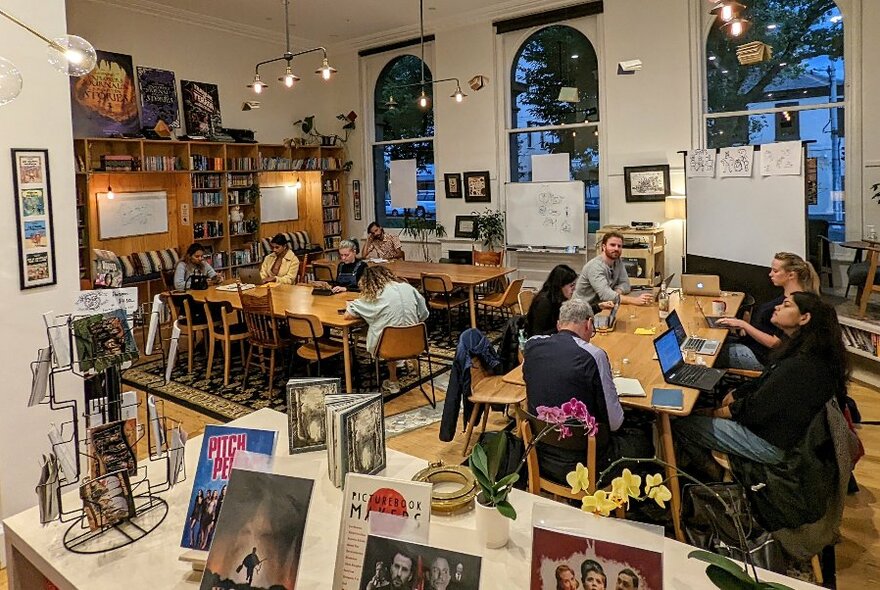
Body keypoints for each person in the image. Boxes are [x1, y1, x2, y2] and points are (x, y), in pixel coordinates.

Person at [674, 292, 848, 478]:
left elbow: (755, 410)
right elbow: (765, 383)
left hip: (771, 444)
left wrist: (719, 412)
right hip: (779, 431)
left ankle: (712, 474)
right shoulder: (803, 351)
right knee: (708, 410)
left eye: (786, 305)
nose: (777, 307)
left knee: (683, 425)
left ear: (804, 318)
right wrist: (736, 394)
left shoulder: (799, 365)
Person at [523, 299, 653, 483]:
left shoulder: (532, 345)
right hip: (585, 463)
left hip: (541, 452)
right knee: (645, 438)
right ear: (589, 324)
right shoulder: (594, 355)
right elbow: (615, 423)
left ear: (559, 325)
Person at [714, 251, 821, 371]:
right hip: (752, 346)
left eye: (775, 271)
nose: (770, 274)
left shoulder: (795, 305)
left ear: (791, 275)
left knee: (708, 353)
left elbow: (776, 343)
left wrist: (743, 325)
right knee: (711, 342)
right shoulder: (786, 297)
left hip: (762, 357)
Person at [345, 266, 429, 393]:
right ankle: (407, 366)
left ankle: (393, 380)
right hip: (416, 343)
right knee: (394, 328)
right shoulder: (408, 288)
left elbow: (348, 315)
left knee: (385, 331)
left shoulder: (374, 296)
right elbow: (424, 314)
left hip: (388, 346)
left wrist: (349, 304)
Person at [527, 264, 614, 336]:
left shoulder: (556, 299)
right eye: (571, 285)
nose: (574, 289)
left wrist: (599, 306)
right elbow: (537, 335)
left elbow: (575, 314)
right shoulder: (544, 303)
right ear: (560, 286)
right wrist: (567, 328)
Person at [574, 232, 653, 309]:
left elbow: (626, 284)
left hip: (601, 306)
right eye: (612, 245)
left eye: (619, 246)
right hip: (581, 310)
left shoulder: (617, 261)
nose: (616, 248)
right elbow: (605, 295)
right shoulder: (595, 267)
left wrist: (616, 292)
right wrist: (635, 300)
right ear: (604, 247)